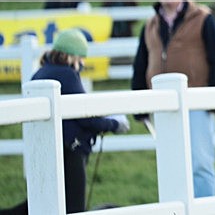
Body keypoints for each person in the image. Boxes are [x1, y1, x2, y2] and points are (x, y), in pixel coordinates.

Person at [3, 29, 130, 214]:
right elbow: (86, 116)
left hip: (43, 151)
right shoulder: (68, 75)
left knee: (37, 206)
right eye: (81, 57)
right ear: (73, 56)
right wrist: (114, 124)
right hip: (70, 151)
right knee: (74, 207)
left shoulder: (39, 73)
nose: (83, 63)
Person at [131, 0, 215, 197]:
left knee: (200, 161)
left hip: (196, 102)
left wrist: (214, 99)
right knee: (170, 162)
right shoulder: (150, 25)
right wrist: (139, 104)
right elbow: (141, 63)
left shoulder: (203, 18)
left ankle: (204, 210)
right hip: (162, 104)